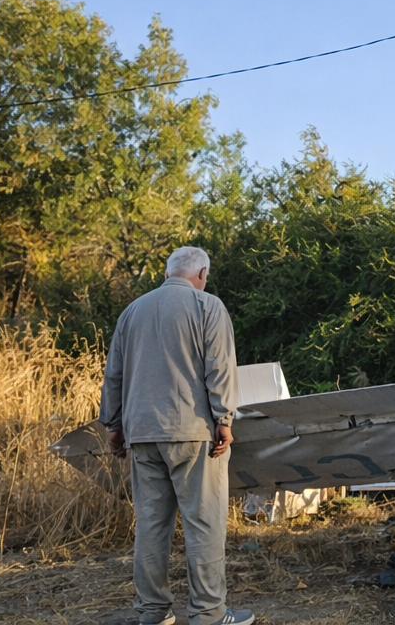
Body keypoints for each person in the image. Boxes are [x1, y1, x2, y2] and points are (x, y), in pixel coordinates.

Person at [99, 246, 254, 625]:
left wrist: (113, 425)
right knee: (204, 523)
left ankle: (152, 613)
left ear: (168, 273)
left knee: (151, 525)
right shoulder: (208, 306)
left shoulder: (132, 311)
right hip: (193, 431)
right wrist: (224, 418)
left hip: (142, 432)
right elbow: (220, 366)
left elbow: (114, 374)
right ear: (202, 274)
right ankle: (208, 614)